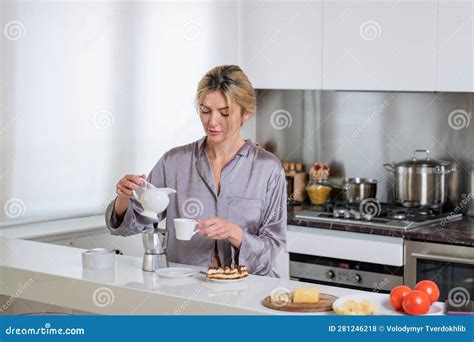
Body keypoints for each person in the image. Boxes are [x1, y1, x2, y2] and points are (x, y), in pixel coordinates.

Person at [105, 65, 287, 277]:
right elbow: (128, 227)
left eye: (225, 113)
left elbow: (271, 249)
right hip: (186, 288)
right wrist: (123, 198)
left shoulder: (268, 168)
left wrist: (234, 233)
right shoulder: (174, 162)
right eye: (205, 110)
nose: (212, 121)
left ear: (245, 114)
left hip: (248, 290)